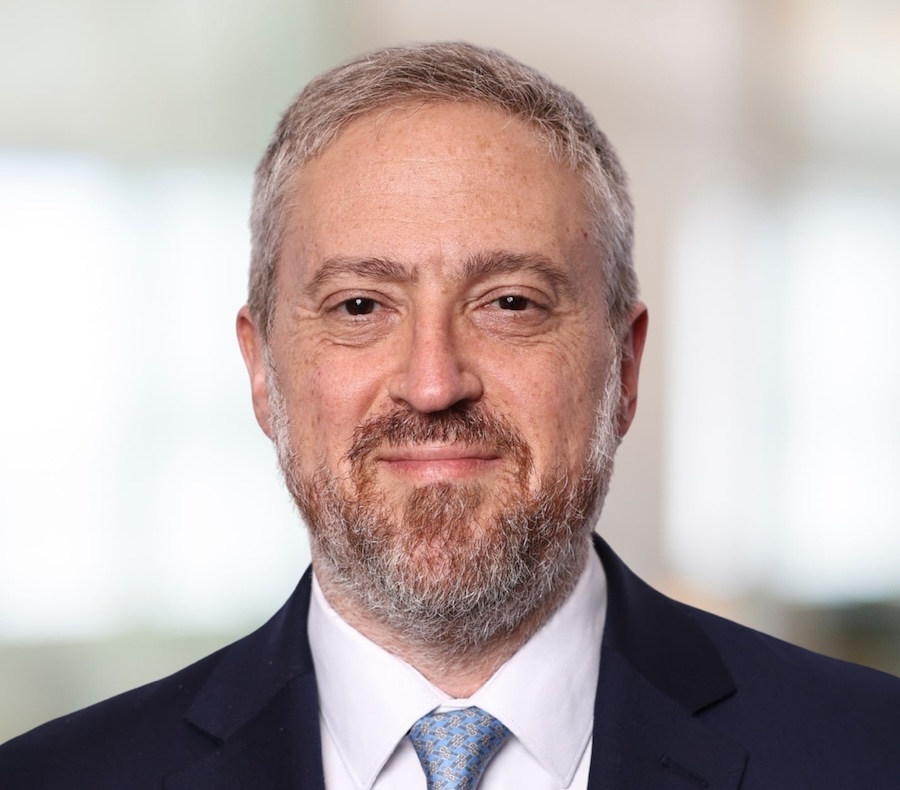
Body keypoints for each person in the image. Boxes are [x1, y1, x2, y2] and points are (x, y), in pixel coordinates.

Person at [1, 41, 898, 790]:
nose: (433, 384)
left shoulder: (868, 754)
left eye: (509, 303)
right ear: (263, 374)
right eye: (360, 307)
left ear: (623, 368)